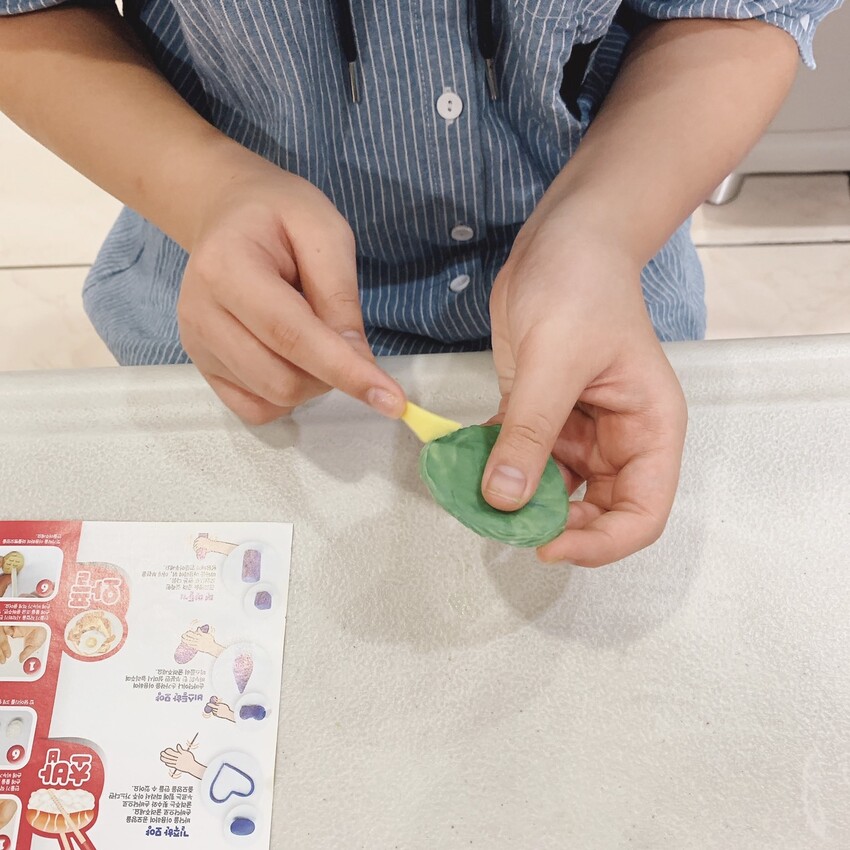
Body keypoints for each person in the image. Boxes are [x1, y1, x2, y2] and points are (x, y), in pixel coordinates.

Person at [0, 1, 838, 567]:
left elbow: (737, 10)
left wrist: (602, 231)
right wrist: (203, 188)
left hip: (606, 308)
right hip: (233, 313)